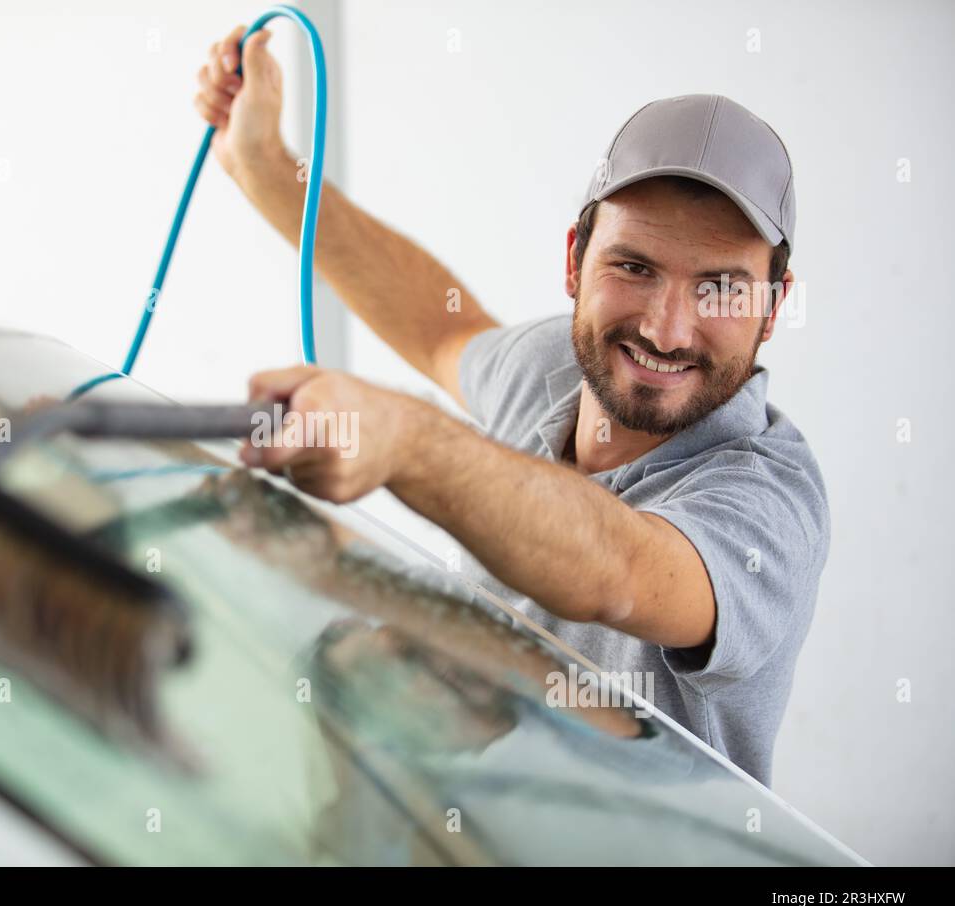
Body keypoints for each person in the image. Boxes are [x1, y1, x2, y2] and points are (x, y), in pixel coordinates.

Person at [193, 26, 826, 786]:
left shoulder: (770, 504)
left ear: (773, 304)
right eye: (633, 266)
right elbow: (437, 327)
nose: (666, 328)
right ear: (574, 261)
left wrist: (411, 443)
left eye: (719, 286)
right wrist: (265, 167)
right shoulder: (555, 369)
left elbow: (620, 571)